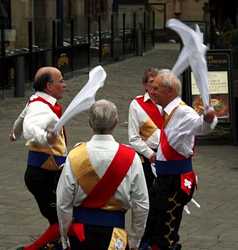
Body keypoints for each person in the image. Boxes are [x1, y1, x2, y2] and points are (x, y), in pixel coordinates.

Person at [57, 99, 149, 250]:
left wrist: (64, 235)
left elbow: (63, 202)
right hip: (115, 234)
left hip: (81, 233)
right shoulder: (131, 157)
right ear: (116, 122)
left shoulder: (75, 155)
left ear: (90, 123)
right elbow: (141, 204)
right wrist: (134, 240)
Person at [143, 69, 217, 250]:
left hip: (175, 181)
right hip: (164, 179)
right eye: (151, 88)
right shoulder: (167, 110)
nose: (152, 92)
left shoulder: (183, 112)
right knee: (154, 225)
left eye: (156, 88)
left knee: (166, 231)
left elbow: (201, 126)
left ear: (169, 91)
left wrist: (208, 119)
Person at [11, 66, 68, 250]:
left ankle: (56, 244)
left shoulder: (36, 100)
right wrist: (45, 137)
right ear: (49, 86)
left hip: (45, 173)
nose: (64, 84)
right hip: (44, 175)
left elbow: (22, 118)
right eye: (61, 80)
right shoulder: (40, 106)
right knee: (63, 220)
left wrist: (14, 132)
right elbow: (31, 128)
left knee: (61, 217)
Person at [128, 67, 163, 192]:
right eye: (151, 82)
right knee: (147, 193)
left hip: (167, 155)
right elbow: (133, 138)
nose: (155, 86)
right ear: (145, 85)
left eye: (158, 83)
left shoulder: (167, 102)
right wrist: (150, 154)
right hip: (146, 157)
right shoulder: (136, 105)